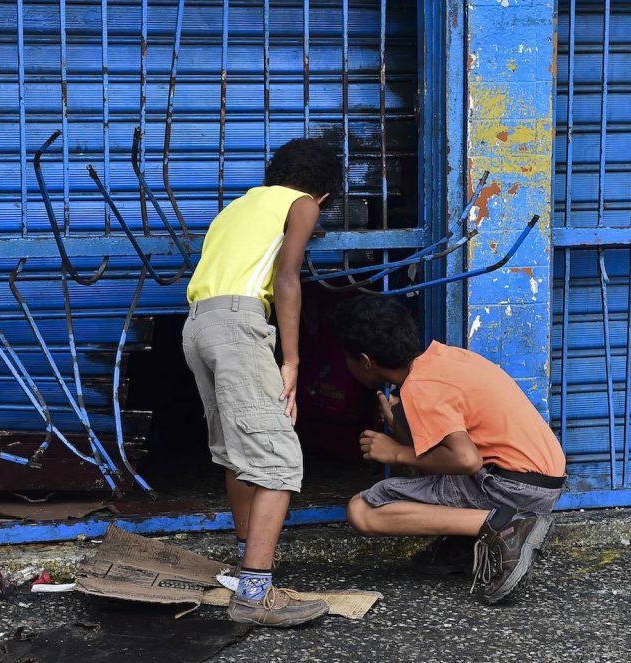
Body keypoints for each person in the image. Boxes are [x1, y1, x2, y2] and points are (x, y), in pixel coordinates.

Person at [183, 138, 341, 626]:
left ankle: (247, 568)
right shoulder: (301, 204)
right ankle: (254, 595)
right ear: (325, 196)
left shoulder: (237, 207)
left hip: (196, 325)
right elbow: (287, 278)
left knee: (238, 452)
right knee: (277, 456)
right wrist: (291, 361)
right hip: (236, 324)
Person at [333, 295, 567, 604]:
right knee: (431, 477)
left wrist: (394, 452)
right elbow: (442, 452)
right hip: (543, 478)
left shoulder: (420, 386)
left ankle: (504, 527)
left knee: (362, 511)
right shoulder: (443, 358)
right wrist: (398, 424)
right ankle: (465, 546)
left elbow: (466, 459)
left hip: (513, 485)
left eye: (347, 358)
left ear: (365, 361)